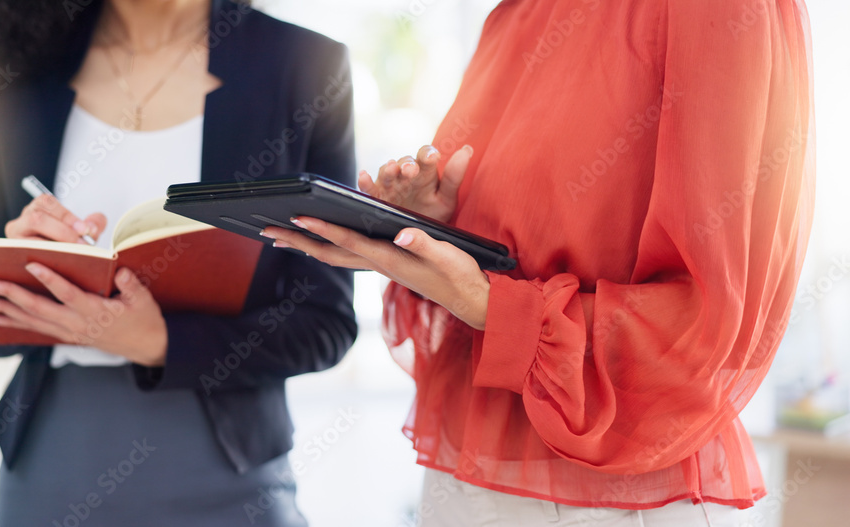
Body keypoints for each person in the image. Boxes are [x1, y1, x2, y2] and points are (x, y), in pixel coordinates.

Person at [264, 0, 814, 525]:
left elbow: (710, 324)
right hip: (462, 481)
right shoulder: (515, 14)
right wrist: (435, 223)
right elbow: (520, 242)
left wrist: (491, 306)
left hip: (618, 495)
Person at [0, 0, 357, 525]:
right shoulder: (15, 60)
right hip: (55, 460)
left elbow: (325, 323)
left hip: (229, 470)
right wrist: (24, 264)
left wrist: (158, 343)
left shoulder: (304, 63)